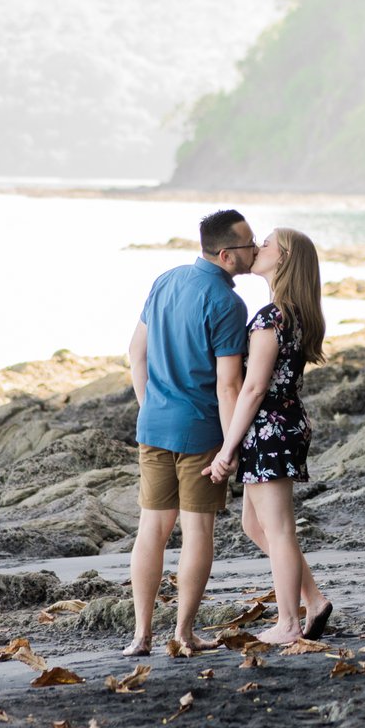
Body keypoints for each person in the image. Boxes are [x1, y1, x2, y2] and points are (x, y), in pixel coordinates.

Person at [123, 209, 256, 657]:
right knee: (198, 532)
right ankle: (182, 634)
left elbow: (135, 354)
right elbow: (228, 385)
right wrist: (232, 443)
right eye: (248, 245)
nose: (254, 251)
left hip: (154, 426)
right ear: (225, 254)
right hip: (200, 432)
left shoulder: (166, 280)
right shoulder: (227, 305)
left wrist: (150, 406)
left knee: (151, 531)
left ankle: (141, 636)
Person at [205, 227, 332, 644]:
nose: (258, 246)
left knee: (277, 530)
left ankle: (289, 624)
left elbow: (253, 389)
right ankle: (313, 601)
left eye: (267, 243)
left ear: (284, 258)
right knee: (256, 525)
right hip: (287, 422)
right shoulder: (296, 314)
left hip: (270, 428)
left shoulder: (270, 317)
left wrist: (227, 448)